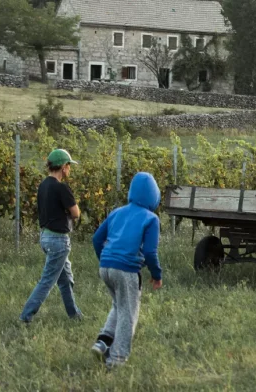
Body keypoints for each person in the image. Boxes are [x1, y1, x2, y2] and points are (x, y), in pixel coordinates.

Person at [90, 172, 163, 369]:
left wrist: (105, 260)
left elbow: (96, 239)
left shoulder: (117, 212)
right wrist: (157, 275)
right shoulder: (151, 219)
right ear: (154, 196)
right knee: (128, 314)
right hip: (127, 270)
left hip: (105, 267)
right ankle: (117, 360)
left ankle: (103, 341)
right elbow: (149, 251)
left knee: (118, 304)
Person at [19, 149, 83, 324]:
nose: (69, 170)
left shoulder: (43, 185)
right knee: (47, 281)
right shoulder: (61, 187)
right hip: (59, 240)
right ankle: (25, 316)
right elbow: (76, 213)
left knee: (66, 280)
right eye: (69, 166)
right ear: (63, 167)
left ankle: (74, 315)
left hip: (45, 236)